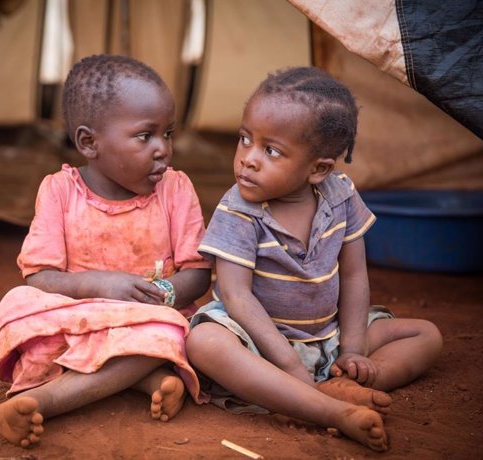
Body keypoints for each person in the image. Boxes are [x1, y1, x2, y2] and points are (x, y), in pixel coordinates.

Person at [185, 67, 443, 452]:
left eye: (270, 150)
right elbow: (236, 296)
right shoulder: (238, 209)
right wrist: (289, 365)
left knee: (426, 335)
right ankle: (330, 408)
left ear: (318, 169)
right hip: (261, 346)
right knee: (204, 341)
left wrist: (354, 350)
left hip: (330, 338)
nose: (248, 159)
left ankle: (341, 385)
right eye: (244, 139)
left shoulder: (340, 197)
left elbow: (355, 276)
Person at [0, 54, 212, 448]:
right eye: (146, 136)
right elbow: (40, 276)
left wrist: (166, 295)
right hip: (80, 316)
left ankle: (46, 400)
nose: (163, 149)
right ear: (89, 142)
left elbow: (198, 273)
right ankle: (142, 379)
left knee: (177, 331)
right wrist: (101, 284)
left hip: (150, 316)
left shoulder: (176, 190)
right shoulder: (59, 191)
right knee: (16, 303)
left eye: (168, 134)